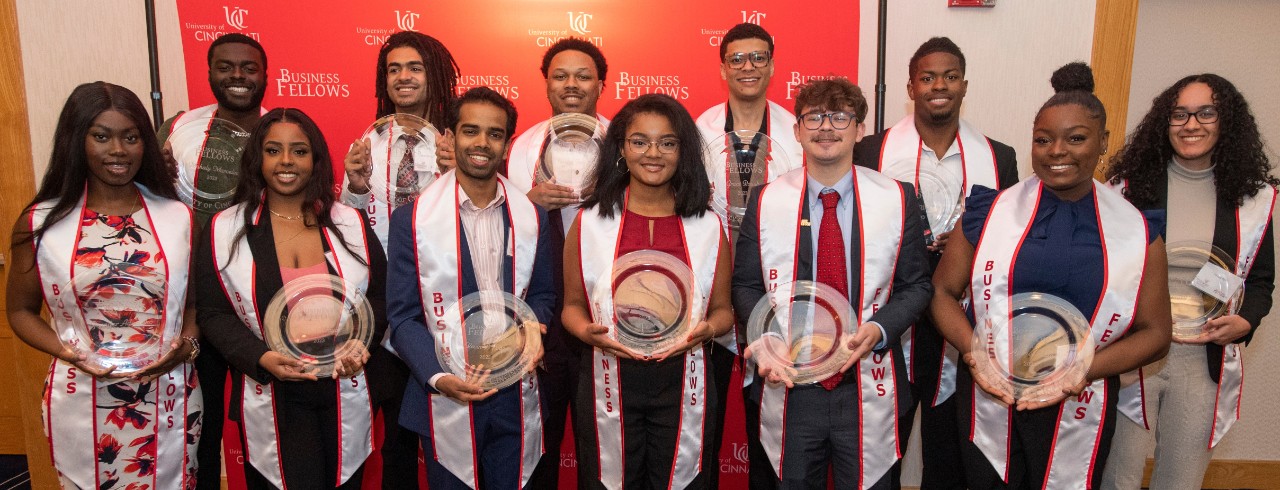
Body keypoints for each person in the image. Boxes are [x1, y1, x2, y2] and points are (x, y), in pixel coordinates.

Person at [929, 63, 1171, 489]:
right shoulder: (989, 212)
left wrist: (1085, 369)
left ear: (1103, 143)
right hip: (991, 390)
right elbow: (942, 292)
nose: (1057, 150)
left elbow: (1156, 332)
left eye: (1076, 138)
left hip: (1080, 396)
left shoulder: (1136, 230)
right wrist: (974, 353)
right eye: (1043, 140)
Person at [732, 78, 932, 488]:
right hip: (791, 384)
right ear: (798, 130)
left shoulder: (898, 198)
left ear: (860, 130)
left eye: (841, 117)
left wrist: (878, 329)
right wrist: (767, 338)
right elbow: (746, 285)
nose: (827, 128)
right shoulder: (767, 199)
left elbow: (917, 286)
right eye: (815, 117)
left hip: (868, 381)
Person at [7, 81, 201, 489]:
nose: (118, 150)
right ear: (76, 141)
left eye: (131, 137)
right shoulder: (40, 224)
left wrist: (186, 346)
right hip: (82, 398)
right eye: (101, 136)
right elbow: (20, 312)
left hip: (169, 396)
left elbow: (194, 308)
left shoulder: (178, 218)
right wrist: (67, 352)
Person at [437, 37, 610, 487]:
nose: (571, 85)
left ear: (601, 85)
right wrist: (528, 203)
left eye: (583, 76)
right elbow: (487, 217)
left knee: (607, 448)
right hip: (541, 321)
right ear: (547, 84)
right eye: (560, 75)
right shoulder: (517, 149)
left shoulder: (625, 147)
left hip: (608, 314)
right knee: (539, 446)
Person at [853, 36, 1018, 489]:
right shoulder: (870, 151)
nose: (938, 85)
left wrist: (968, 240)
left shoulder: (1000, 157)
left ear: (965, 85)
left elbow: (1009, 239)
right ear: (911, 87)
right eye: (927, 77)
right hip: (892, 314)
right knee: (882, 446)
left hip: (961, 317)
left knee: (948, 455)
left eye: (949, 76)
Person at [1101, 74, 1276, 489]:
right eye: (1180, 114)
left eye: (1205, 112)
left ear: (1225, 121)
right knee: (1117, 476)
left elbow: (1262, 281)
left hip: (1202, 359)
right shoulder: (1125, 190)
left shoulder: (1254, 199)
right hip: (1134, 351)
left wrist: (1246, 320)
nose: (1191, 124)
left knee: (1180, 478)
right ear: (1165, 121)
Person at [196, 108, 385, 489]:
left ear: (315, 159)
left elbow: (379, 299)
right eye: (273, 151)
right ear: (257, 159)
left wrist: (361, 346)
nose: (286, 161)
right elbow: (213, 313)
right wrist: (260, 358)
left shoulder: (350, 222)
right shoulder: (224, 229)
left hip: (343, 389)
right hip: (271, 390)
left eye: (299, 151)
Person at [563, 93, 735, 490]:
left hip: (684, 379)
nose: (652, 153)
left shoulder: (708, 226)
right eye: (640, 141)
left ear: (682, 151)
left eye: (667, 142)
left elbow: (724, 312)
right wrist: (586, 332)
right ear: (622, 148)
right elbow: (572, 306)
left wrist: (707, 331)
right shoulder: (590, 223)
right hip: (608, 377)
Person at [387, 87, 554, 489]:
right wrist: (439, 378)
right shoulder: (412, 220)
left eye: (494, 134)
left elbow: (544, 295)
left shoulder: (532, 217)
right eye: (470, 131)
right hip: (446, 391)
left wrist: (535, 326)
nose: (482, 143)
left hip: (517, 387)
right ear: (451, 136)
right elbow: (403, 316)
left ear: (508, 143)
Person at [338, 30, 460, 489]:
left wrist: (457, 174)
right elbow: (348, 229)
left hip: (442, 302)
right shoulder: (369, 141)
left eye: (414, 67)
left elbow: (481, 218)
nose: (403, 77)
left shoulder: (455, 140)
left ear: (435, 76)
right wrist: (353, 185)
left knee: (447, 431)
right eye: (393, 69)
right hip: (385, 303)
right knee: (396, 438)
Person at [155, 33, 270, 489]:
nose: (238, 76)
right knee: (195, 425)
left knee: (261, 422)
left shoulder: (281, 132)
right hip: (190, 304)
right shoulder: (178, 128)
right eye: (226, 66)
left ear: (265, 74)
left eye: (248, 67)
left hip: (255, 303)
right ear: (209, 72)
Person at [693, 24, 804, 489]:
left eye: (758, 58)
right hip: (712, 288)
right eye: (737, 59)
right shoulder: (699, 129)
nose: (748, 67)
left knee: (772, 418)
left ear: (773, 66)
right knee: (706, 422)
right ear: (722, 68)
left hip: (774, 288)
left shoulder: (797, 131)